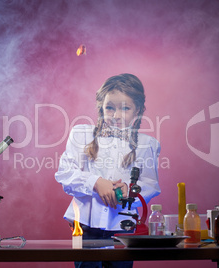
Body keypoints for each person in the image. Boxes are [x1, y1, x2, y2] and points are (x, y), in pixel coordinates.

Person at [55, 73, 161, 268]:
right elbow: (65, 173)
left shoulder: (148, 145)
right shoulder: (81, 134)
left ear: (138, 110)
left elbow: (150, 185)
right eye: (109, 107)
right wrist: (96, 182)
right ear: (101, 107)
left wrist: (130, 190)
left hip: (123, 227)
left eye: (125, 108)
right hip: (84, 224)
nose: (116, 115)